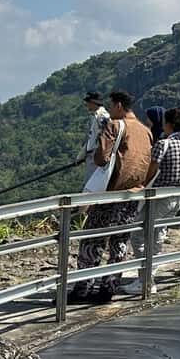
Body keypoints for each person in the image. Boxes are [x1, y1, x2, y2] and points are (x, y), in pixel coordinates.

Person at [68, 90, 152, 304]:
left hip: (110, 193)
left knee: (92, 241)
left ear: (119, 106)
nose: (110, 109)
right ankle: (109, 287)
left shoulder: (115, 126)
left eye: (112, 105)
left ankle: (83, 288)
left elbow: (101, 158)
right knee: (119, 242)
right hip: (133, 195)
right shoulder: (145, 131)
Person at [122, 108, 180, 295]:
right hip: (178, 197)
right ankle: (148, 279)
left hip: (159, 197)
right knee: (158, 236)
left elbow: (151, 171)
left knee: (138, 234)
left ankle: (145, 280)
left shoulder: (164, 143)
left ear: (169, 124)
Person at [75, 91, 110, 187]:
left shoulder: (102, 116)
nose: (87, 105)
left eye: (88, 102)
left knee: (91, 184)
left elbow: (106, 137)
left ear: (93, 102)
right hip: (91, 155)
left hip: (97, 155)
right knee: (90, 183)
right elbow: (91, 138)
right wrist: (81, 156)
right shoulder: (96, 116)